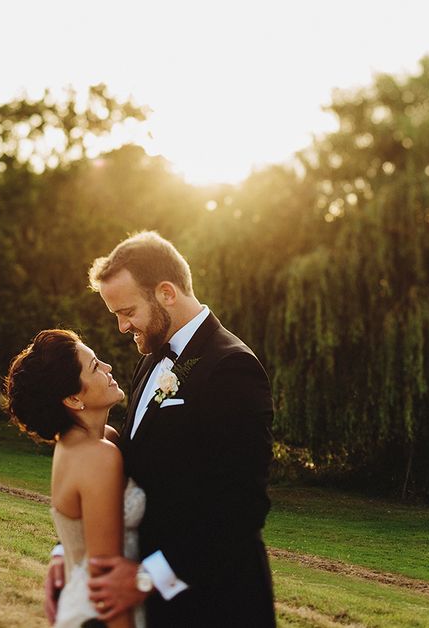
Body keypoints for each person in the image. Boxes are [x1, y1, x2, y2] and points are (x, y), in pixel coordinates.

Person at [64, 230, 276, 627]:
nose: (122, 328)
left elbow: (241, 509)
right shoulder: (151, 358)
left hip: (217, 604)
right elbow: (124, 470)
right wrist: (69, 551)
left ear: (166, 293)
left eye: (127, 312)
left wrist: (147, 577)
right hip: (161, 610)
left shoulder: (233, 368)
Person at [4, 329, 144, 628]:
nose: (107, 368)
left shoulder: (92, 440)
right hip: (99, 615)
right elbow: (105, 579)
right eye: (95, 366)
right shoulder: (97, 456)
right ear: (72, 398)